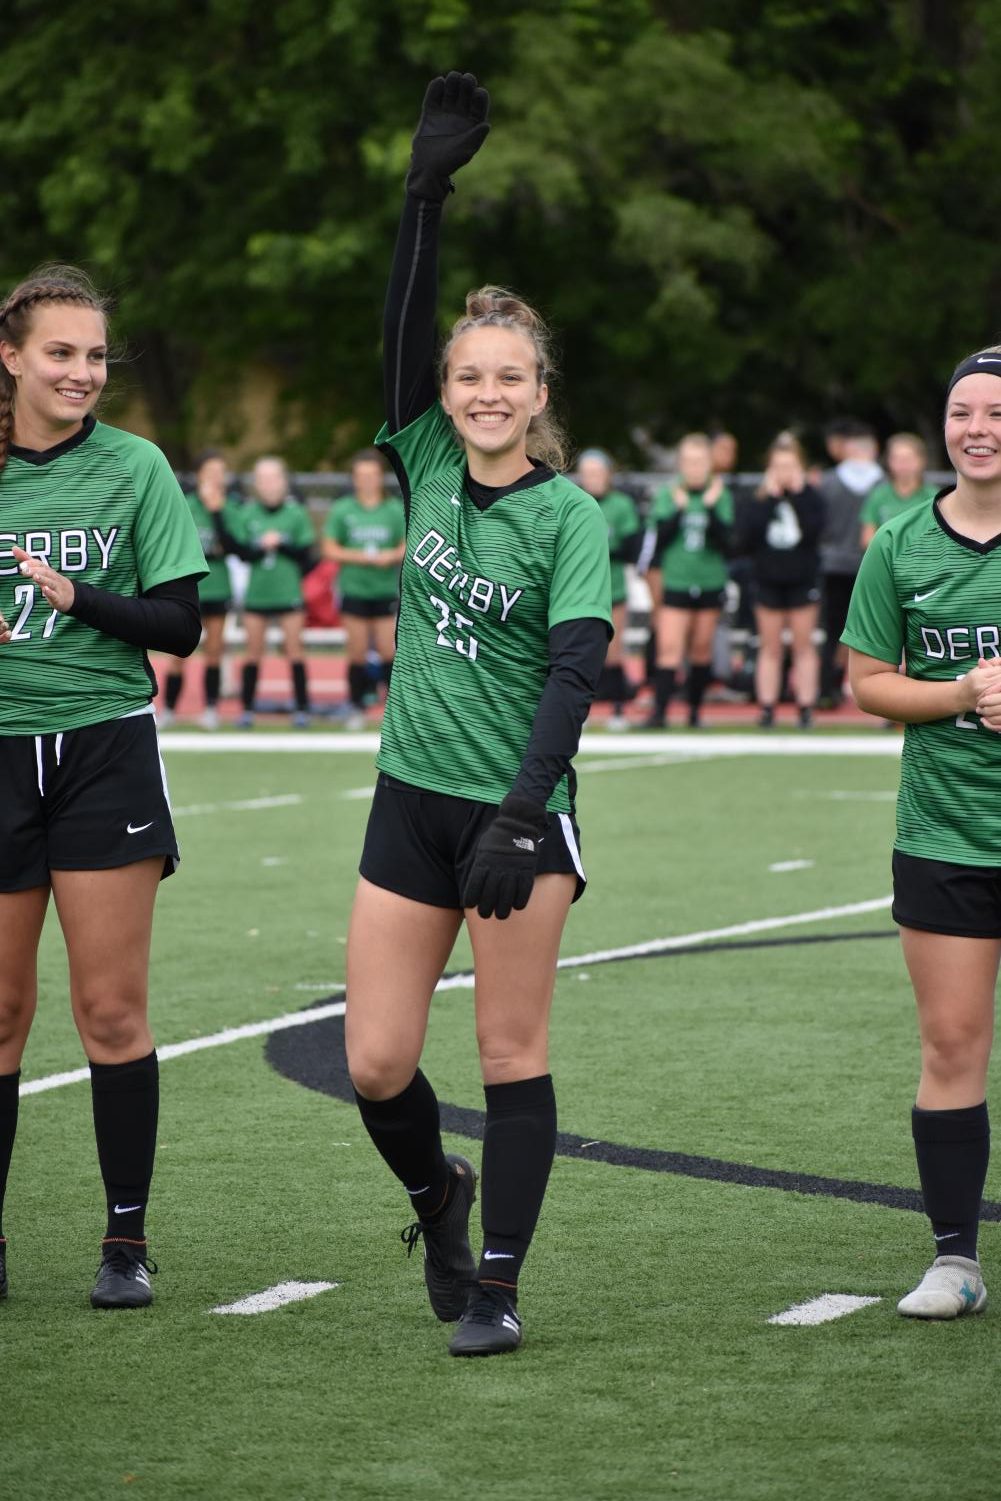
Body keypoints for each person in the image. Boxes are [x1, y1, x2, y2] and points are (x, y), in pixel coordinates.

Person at [345, 73, 611, 1359]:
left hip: (514, 817)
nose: (485, 393)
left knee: (509, 1049)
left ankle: (498, 1282)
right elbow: (398, 326)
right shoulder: (430, 460)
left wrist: (522, 813)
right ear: (446, 391)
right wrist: (422, 197)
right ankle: (437, 1202)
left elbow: (572, 676)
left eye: (509, 377)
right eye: (468, 375)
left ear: (538, 387)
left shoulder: (570, 517)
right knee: (375, 1063)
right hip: (409, 801)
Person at [0, 267, 206, 1309]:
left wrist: (77, 597)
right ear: (12, 357)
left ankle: (125, 1241)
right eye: (61, 353)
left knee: (109, 1010)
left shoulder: (136, 467)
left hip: (103, 749)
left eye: (94, 356)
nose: (83, 372)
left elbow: (179, 625)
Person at [842, 345, 1001, 1320]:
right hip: (943, 834)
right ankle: (953, 1257)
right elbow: (864, 680)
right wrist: (958, 694)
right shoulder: (898, 543)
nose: (977, 427)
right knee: (949, 1042)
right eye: (961, 413)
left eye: (994, 411)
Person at [640, 432, 734, 727]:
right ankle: (660, 713)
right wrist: (680, 510)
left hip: (709, 580)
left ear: (709, 464)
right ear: (681, 465)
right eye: (689, 462)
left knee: (701, 647)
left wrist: (708, 506)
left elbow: (728, 543)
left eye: (700, 462)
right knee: (670, 646)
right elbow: (660, 538)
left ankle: (694, 712)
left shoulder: (719, 495)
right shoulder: (669, 495)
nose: (694, 468)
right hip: (677, 580)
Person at [225, 456, 315, 728]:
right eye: (262, 480)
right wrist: (261, 546)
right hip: (257, 594)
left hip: (288, 592)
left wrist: (280, 544)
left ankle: (302, 709)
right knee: (253, 652)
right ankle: (248, 709)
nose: (268, 485)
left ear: (284, 482)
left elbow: (307, 555)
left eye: (273, 479)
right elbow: (241, 552)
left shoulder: (296, 513)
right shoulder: (247, 513)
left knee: (295, 650)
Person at [741, 437, 825, 728]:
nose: (784, 472)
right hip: (768, 578)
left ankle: (805, 707)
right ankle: (767, 707)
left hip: (802, 578)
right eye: (778, 466)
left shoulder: (811, 497)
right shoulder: (760, 499)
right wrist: (773, 498)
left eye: (789, 466)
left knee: (803, 645)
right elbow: (747, 538)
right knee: (770, 647)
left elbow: (814, 533)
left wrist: (799, 495)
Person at [321, 448, 406, 729]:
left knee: (387, 651)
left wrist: (391, 556)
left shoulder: (394, 509)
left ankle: (394, 711)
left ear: (380, 477)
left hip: (384, 591)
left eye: (372, 475)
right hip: (354, 589)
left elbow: (407, 543)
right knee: (356, 652)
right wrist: (360, 556)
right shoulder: (343, 509)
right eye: (361, 476)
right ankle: (356, 707)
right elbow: (329, 548)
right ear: (354, 479)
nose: (367, 481)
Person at [159, 450, 240, 729]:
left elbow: (232, 547)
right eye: (211, 473)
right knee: (179, 652)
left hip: (218, 586)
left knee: (215, 650)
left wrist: (216, 511)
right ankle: (168, 708)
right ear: (200, 476)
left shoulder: (229, 508)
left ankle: (211, 708)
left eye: (221, 473)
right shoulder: (185, 503)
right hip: (189, 587)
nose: (217, 479)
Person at [817, 422, 883, 706]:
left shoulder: (829, 481)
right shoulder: (883, 482)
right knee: (871, 633)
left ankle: (827, 687)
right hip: (870, 565)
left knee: (834, 632)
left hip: (834, 562)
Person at [575, 448, 640, 728]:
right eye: (587, 474)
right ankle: (580, 712)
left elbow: (630, 545)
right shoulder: (573, 501)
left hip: (613, 590)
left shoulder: (621, 505)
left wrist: (599, 548)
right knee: (580, 653)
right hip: (580, 591)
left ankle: (617, 710)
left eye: (597, 473)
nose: (593, 479)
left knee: (614, 652)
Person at [859, 433, 937, 549]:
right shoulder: (878, 494)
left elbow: (938, 539)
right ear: (889, 461)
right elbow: (867, 539)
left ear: (922, 460)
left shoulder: (933, 496)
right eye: (897, 458)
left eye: (908, 458)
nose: (903, 464)